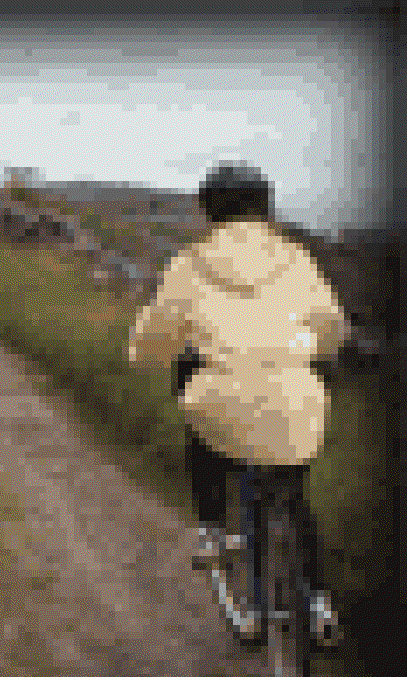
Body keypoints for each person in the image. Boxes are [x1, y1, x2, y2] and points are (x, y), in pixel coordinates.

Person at [128, 161, 383, 647]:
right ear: (264, 208)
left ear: (209, 212)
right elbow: (330, 325)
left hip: (224, 398)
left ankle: (209, 527)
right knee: (291, 490)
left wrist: (150, 355)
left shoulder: (191, 263)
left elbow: (156, 334)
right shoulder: (297, 259)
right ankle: (319, 604)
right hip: (293, 402)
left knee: (196, 395)